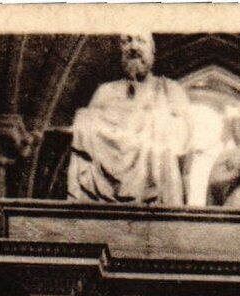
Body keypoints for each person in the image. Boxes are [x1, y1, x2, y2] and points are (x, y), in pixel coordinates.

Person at [67, 33, 193, 205]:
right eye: (127, 41)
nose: (133, 47)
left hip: (155, 179)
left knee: (159, 119)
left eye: (141, 40)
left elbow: (185, 138)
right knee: (84, 117)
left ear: (152, 51)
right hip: (105, 181)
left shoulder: (170, 89)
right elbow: (87, 129)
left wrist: (153, 119)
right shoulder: (105, 92)